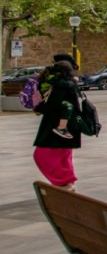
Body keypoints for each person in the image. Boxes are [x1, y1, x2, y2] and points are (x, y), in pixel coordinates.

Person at [32, 60, 83, 191]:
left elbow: (52, 105)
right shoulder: (71, 84)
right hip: (70, 128)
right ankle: (68, 182)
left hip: (56, 129)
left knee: (42, 155)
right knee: (64, 157)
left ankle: (63, 183)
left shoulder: (60, 86)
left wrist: (39, 108)